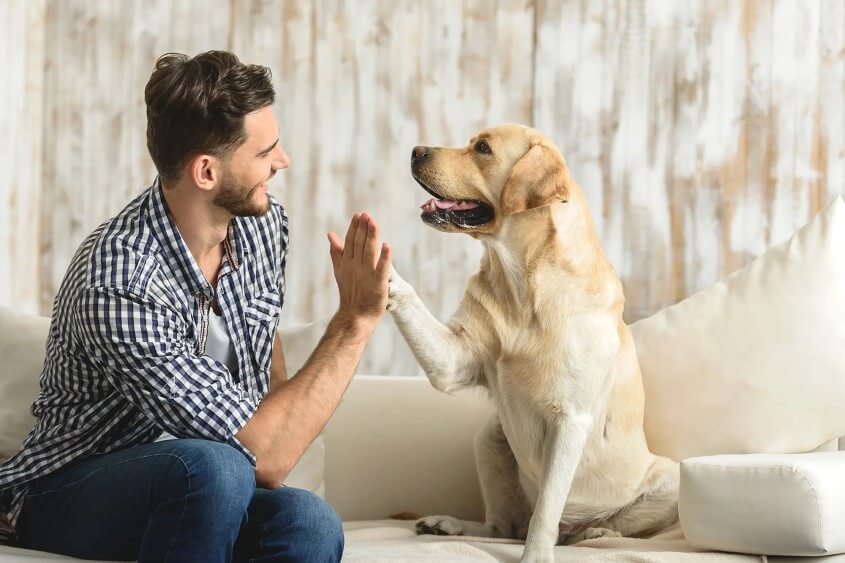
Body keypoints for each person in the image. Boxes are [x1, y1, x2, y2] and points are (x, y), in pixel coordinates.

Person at [0, 50, 391, 562]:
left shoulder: (262, 225)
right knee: (214, 469)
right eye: (265, 151)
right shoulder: (119, 280)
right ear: (206, 171)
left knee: (308, 520)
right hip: (66, 489)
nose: (283, 161)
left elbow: (263, 355)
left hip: (206, 491)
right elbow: (264, 458)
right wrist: (355, 320)